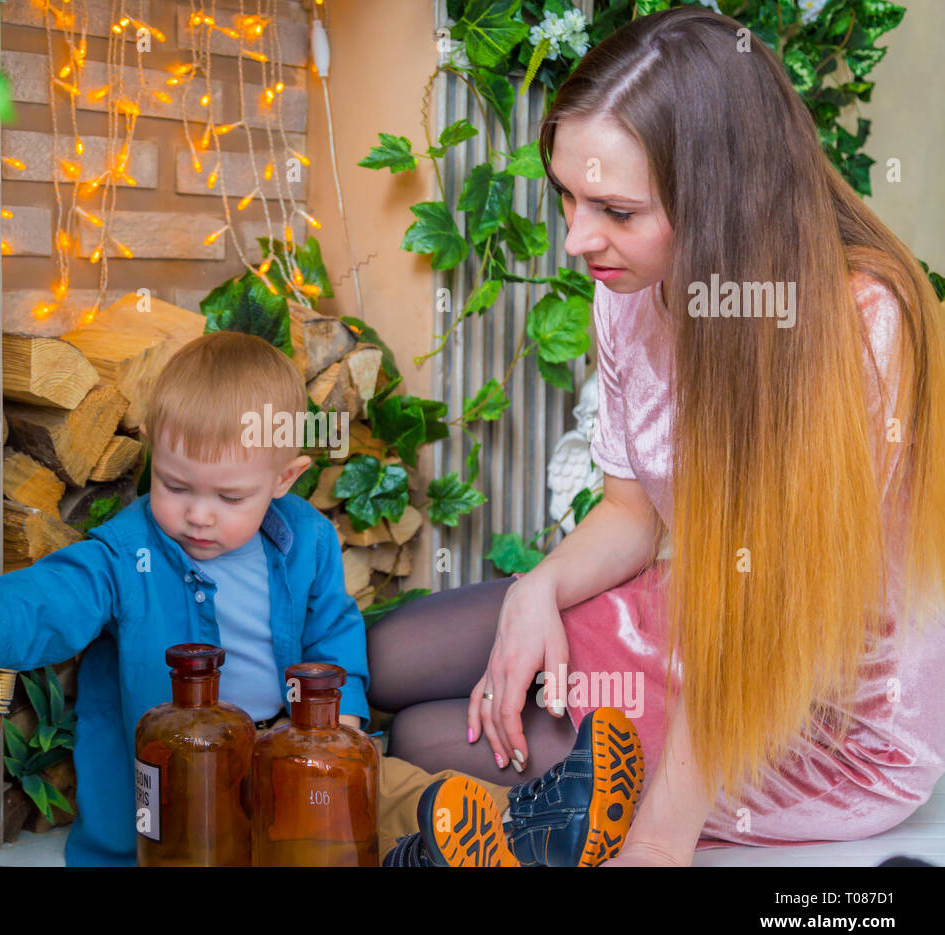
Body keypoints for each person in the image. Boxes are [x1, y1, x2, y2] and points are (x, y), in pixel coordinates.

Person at [377, 5, 945, 866]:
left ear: (724, 197)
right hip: (692, 614)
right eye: (566, 196)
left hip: (810, 700)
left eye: (614, 208)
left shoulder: (864, 322)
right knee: (383, 662)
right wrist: (538, 591)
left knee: (426, 736)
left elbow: (773, 618)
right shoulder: (627, 287)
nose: (576, 239)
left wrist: (660, 841)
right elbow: (633, 514)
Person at [0, 330, 374, 866]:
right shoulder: (129, 551)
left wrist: (342, 719)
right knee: (180, 847)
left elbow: (333, 633)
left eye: (229, 497)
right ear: (153, 448)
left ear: (284, 478)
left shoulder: (307, 541)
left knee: (284, 844)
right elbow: (61, 591)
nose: (199, 515)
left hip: (274, 752)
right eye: (175, 486)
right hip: (167, 776)